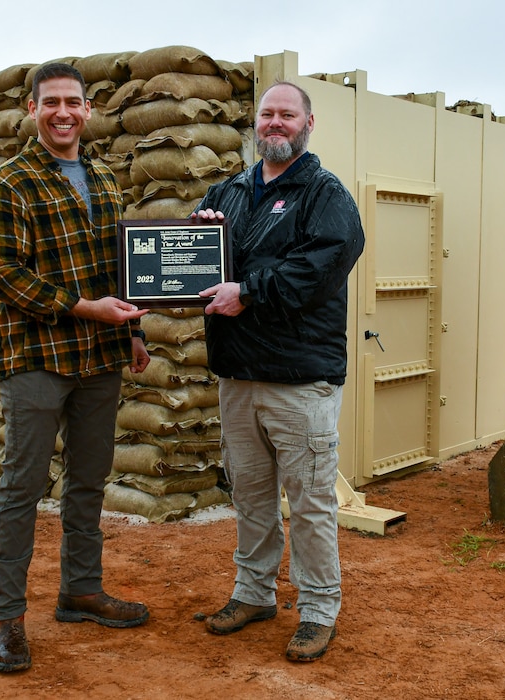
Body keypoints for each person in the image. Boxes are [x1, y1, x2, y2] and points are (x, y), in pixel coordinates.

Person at [0, 61, 151, 674]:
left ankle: (81, 590)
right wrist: (86, 311)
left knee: (88, 479)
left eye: (73, 102)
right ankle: (7, 619)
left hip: (100, 357)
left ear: (89, 109)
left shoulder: (103, 180)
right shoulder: (8, 184)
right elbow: (4, 275)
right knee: (22, 486)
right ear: (32, 110)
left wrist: (131, 329)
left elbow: (119, 269)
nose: (63, 113)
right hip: (36, 359)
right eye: (51, 102)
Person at [193, 81, 365, 662]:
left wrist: (248, 290)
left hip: (299, 382)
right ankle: (253, 593)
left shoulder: (325, 195)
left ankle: (318, 609)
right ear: (255, 123)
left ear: (308, 123)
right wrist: (202, 239)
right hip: (238, 378)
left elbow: (314, 271)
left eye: (286, 115)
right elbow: (197, 268)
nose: (275, 123)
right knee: (251, 496)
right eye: (267, 114)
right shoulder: (229, 191)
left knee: (312, 502)